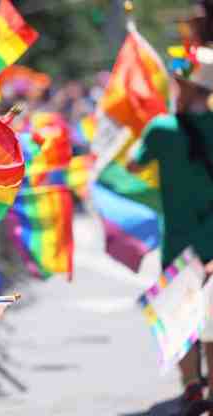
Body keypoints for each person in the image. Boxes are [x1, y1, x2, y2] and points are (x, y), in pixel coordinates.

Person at [134, 46, 213, 408]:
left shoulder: (162, 129)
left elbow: (134, 168)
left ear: (188, 88)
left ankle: (193, 388)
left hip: (179, 245)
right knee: (212, 319)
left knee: (184, 319)